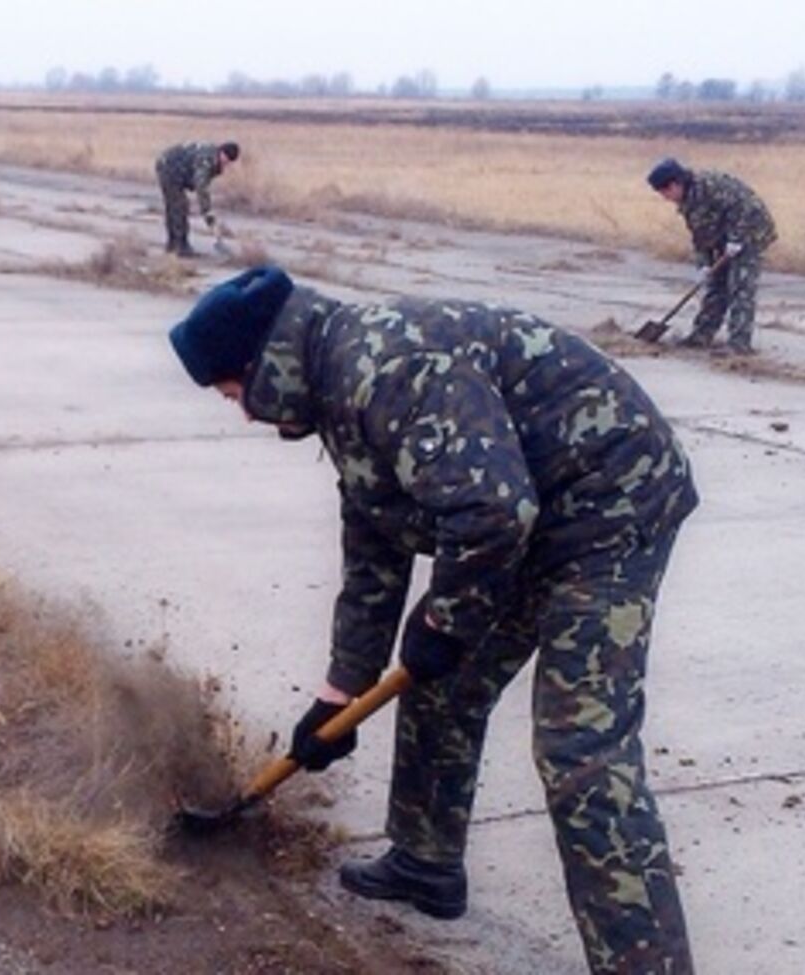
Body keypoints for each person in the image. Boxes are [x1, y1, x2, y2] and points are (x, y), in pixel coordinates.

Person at [169, 266, 698, 974]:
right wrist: (339, 696)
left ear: (266, 365)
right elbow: (374, 546)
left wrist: (445, 621)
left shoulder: (385, 371)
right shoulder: (339, 384)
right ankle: (425, 861)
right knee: (439, 683)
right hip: (530, 514)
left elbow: (493, 512)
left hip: (611, 506)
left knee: (580, 750)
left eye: (236, 394)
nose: (244, 414)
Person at [647, 158, 777, 355]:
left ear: (674, 184)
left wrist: (737, 238)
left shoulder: (710, 187)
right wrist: (704, 265)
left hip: (751, 232)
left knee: (740, 287)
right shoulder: (688, 201)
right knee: (716, 285)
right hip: (725, 238)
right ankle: (701, 336)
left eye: (664, 192)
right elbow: (700, 235)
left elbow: (746, 207)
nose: (665, 198)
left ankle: (739, 344)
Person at [154, 141, 239, 257]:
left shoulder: (214, 159)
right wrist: (207, 211)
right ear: (222, 153)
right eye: (227, 160)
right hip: (168, 167)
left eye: (229, 162)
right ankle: (181, 246)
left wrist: (207, 211)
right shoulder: (207, 160)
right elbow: (201, 187)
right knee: (179, 206)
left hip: (175, 169)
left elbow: (202, 183)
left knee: (175, 206)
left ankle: (173, 245)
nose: (226, 164)